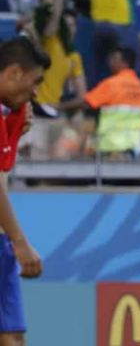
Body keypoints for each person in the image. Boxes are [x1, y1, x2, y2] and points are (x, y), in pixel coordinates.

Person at [0, 37, 50, 346]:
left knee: (12, 336)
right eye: (35, 82)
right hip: (7, 241)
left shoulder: (10, 114)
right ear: (15, 72)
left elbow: (2, 173)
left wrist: (15, 131)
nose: (35, 91)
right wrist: (20, 243)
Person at [82, 47, 140, 157]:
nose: (110, 62)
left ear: (125, 63)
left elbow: (87, 103)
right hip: (135, 146)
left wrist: (59, 107)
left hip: (111, 146)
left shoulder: (112, 83)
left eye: (114, 59)